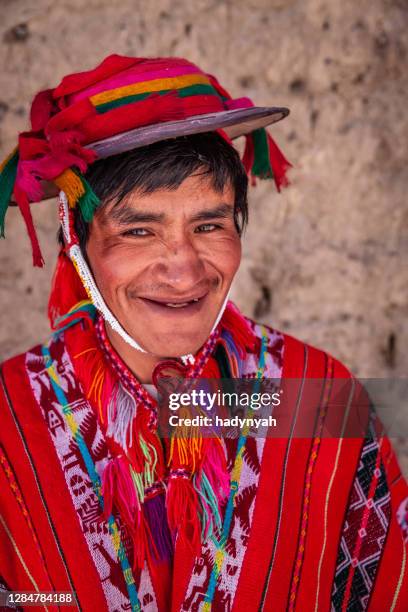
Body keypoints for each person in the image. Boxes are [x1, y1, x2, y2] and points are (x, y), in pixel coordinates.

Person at [0, 54, 406, 612]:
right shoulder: (10, 417)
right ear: (77, 244)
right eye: (138, 230)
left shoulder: (318, 396)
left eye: (210, 225)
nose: (184, 270)